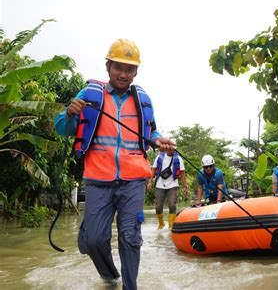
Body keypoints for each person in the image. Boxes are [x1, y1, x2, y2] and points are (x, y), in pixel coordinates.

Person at [54, 39, 175, 290]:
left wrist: (159, 141)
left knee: (131, 238)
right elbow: (61, 128)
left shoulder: (143, 100)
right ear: (108, 66)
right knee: (96, 240)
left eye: (129, 69)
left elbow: (150, 133)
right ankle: (110, 277)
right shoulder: (89, 95)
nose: (123, 74)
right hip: (98, 179)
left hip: (133, 181)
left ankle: (131, 287)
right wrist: (70, 113)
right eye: (118, 67)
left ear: (136, 72)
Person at [148, 148, 187, 230]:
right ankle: (161, 224)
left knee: (172, 205)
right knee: (158, 207)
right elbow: (153, 170)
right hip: (160, 185)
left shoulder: (179, 159)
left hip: (173, 185)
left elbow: (183, 173)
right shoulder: (159, 157)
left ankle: (171, 226)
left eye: (172, 148)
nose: (170, 150)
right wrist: (150, 182)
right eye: (169, 148)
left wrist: (184, 187)